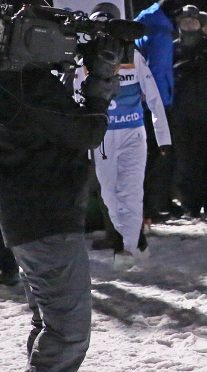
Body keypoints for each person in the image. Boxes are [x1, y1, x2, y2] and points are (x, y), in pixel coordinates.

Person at [0, 18, 120, 370]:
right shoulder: (26, 85)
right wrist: (99, 87)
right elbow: (85, 132)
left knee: (48, 323)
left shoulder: (16, 82)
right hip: (45, 220)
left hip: (30, 218)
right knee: (68, 332)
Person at [74, 3, 172, 266]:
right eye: (100, 29)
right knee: (109, 193)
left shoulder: (132, 54)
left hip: (133, 131)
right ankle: (126, 244)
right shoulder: (83, 56)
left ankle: (130, 247)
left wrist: (163, 137)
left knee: (131, 191)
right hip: (102, 135)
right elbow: (73, 97)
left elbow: (153, 95)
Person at [172, 5, 207, 217]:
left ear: (199, 23)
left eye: (193, 21)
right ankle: (191, 205)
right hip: (184, 114)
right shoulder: (172, 49)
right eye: (185, 21)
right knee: (188, 162)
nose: (189, 24)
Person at [135, 0, 186, 224]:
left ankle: (155, 203)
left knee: (152, 157)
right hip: (156, 103)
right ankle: (149, 208)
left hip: (151, 101)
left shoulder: (149, 21)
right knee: (157, 156)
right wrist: (158, 98)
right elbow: (156, 68)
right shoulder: (160, 30)